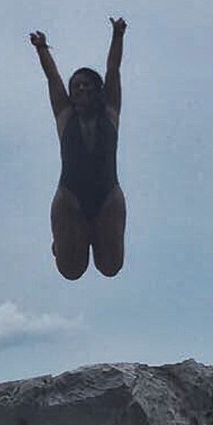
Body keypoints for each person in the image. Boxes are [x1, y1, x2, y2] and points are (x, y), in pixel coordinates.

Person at [30, 18, 127, 280]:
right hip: (70, 197)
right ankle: (64, 240)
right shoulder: (65, 116)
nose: (82, 88)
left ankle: (94, 232)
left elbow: (113, 70)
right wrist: (42, 49)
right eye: (77, 85)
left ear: (98, 90)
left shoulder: (110, 113)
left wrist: (118, 35)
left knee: (110, 268)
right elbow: (53, 78)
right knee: (71, 271)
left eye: (87, 84)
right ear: (71, 94)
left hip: (107, 196)